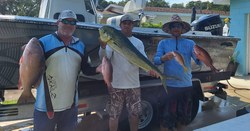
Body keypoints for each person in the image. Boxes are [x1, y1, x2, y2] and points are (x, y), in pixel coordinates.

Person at [33, 10, 102, 131]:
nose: (69, 25)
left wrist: (98, 69)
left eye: (73, 22)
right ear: (58, 22)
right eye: (65, 21)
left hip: (70, 107)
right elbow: (31, 65)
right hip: (46, 107)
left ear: (76, 25)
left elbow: (86, 69)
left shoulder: (80, 46)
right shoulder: (43, 42)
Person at [99, 14, 158, 131]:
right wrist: (103, 47)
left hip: (133, 85)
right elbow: (104, 58)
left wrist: (150, 70)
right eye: (124, 23)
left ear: (133, 26)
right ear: (120, 25)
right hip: (116, 85)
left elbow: (143, 59)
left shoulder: (138, 42)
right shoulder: (112, 40)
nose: (126, 25)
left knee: (135, 114)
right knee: (114, 115)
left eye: (129, 23)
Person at [153, 14, 203, 131]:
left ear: (182, 28)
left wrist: (199, 57)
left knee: (183, 117)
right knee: (165, 118)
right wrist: (163, 58)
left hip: (186, 86)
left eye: (178, 25)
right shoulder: (163, 43)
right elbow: (156, 61)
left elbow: (199, 63)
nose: (176, 28)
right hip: (169, 87)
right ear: (170, 29)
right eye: (173, 26)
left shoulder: (191, 43)